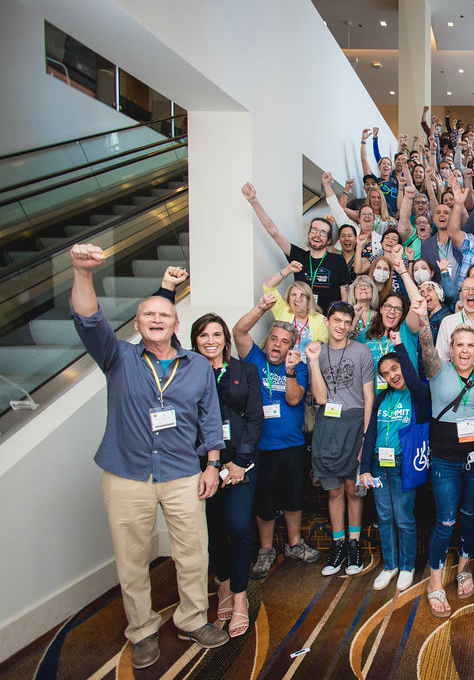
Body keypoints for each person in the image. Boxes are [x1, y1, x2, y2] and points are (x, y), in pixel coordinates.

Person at [69, 243, 229, 668]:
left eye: (164, 315)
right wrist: (81, 273)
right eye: (148, 315)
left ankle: (192, 619)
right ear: (137, 323)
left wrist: (212, 464)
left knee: (194, 551)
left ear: (176, 323)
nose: (156, 319)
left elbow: (210, 419)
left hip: (180, 471)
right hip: (126, 474)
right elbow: (87, 318)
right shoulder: (117, 357)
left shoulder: (196, 366)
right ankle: (141, 631)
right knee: (132, 557)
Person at [416, 305, 474, 617]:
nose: (465, 350)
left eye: (470, 345)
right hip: (445, 461)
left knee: (469, 514)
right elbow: (425, 342)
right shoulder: (438, 371)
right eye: (459, 344)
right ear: (450, 348)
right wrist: (421, 314)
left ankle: (464, 566)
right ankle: (434, 581)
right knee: (445, 520)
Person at [234, 294, 320, 579]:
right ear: (267, 340)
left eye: (284, 341)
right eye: (274, 339)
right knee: (264, 500)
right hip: (259, 446)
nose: (277, 346)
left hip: (292, 445)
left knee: (293, 498)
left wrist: (292, 372)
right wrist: (260, 307)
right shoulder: (254, 359)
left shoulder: (299, 367)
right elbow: (239, 332)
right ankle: (267, 550)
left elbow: (295, 400)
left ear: (291, 345)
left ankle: (294, 544)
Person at [190, 313, 264, 639]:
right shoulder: (187, 374)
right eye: (204, 335)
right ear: (195, 341)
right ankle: (222, 584)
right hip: (201, 464)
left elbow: (254, 418)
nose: (210, 341)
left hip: (240, 462)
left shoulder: (243, 371)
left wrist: (239, 462)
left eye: (216, 335)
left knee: (239, 525)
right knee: (214, 526)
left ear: (225, 339)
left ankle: (239, 595)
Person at [305, 302, 376, 577]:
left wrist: (366, 438)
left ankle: (354, 544)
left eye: (347, 322)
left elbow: (369, 396)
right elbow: (321, 398)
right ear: (327, 321)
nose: (341, 326)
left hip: (355, 422)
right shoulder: (317, 351)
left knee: (352, 489)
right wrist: (312, 361)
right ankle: (338, 544)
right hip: (327, 425)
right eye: (336, 320)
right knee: (333, 490)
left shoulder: (361, 351)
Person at [358, 328, 431, 592]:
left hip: (404, 465)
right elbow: (371, 434)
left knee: (403, 517)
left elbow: (411, 378)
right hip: (379, 465)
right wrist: (364, 468)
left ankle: (407, 566)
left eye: (395, 369)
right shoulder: (382, 398)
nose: (392, 376)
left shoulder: (418, 393)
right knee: (385, 517)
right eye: (386, 374)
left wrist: (399, 347)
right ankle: (390, 566)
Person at [241, 182, 351, 308]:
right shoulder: (298, 255)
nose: (317, 235)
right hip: (299, 319)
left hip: (326, 321)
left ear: (329, 240)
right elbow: (273, 231)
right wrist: (254, 201)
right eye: (314, 230)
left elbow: (345, 294)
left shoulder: (337, 260)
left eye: (322, 232)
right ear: (309, 233)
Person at [262, 262, 328, 356]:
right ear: (288, 299)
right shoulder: (283, 311)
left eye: (302, 295)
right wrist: (287, 270)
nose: (298, 299)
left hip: (308, 366)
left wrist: (318, 343)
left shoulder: (321, 320)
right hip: (282, 363)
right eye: (294, 295)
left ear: (309, 299)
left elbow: (324, 343)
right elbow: (268, 287)